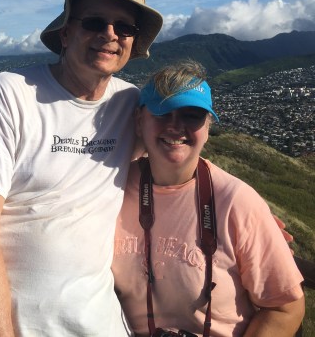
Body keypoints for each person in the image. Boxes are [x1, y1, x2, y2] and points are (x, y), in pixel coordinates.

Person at [0, 0, 164, 336]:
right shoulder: (14, 92)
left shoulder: (130, 103)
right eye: (94, 22)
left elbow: (177, 152)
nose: (110, 34)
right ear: (65, 33)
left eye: (124, 27)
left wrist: (236, 203)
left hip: (98, 324)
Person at [112, 60, 305, 337]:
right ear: (140, 122)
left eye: (192, 115)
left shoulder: (236, 202)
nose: (175, 126)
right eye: (162, 112)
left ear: (207, 128)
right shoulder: (111, 187)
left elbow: (286, 308)